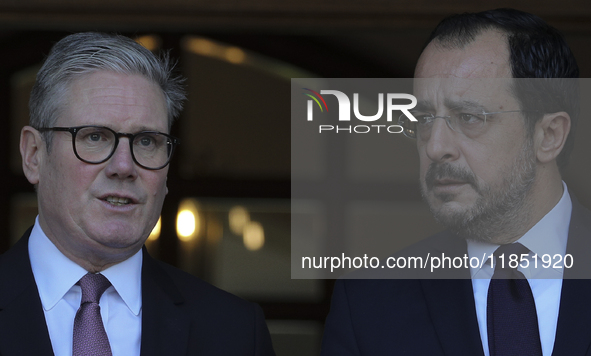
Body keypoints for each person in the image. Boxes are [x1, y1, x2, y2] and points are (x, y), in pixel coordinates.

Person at [321, 8, 591, 356]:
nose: (434, 147)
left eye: (468, 117)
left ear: (549, 135)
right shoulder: (369, 304)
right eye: (424, 118)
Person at [0, 32, 275, 355]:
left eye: (146, 142)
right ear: (34, 155)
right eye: (95, 137)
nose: (123, 166)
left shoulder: (234, 331)